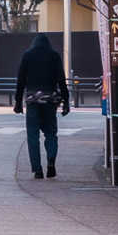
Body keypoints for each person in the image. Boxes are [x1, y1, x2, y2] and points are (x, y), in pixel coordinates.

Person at [19, 31, 71, 178]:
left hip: (33, 100)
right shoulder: (54, 55)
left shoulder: (27, 55)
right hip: (50, 100)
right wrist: (66, 101)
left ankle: (37, 169)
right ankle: (51, 162)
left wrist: (17, 102)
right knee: (51, 134)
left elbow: (21, 80)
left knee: (32, 135)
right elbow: (61, 80)